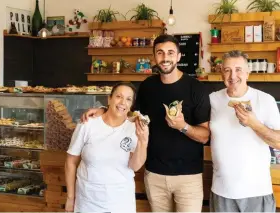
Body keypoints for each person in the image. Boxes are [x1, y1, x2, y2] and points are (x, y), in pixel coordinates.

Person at [81, 34, 211, 212]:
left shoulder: (197, 88)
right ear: (154, 57)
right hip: (154, 174)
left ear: (179, 57)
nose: (165, 58)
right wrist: (104, 110)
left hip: (188, 176)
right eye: (160, 53)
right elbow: (128, 112)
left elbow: (205, 136)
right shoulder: (147, 86)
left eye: (171, 53)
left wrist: (183, 126)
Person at [209, 50, 280, 212]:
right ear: (221, 74)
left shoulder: (265, 100)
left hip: (257, 192)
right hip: (222, 192)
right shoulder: (212, 99)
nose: (233, 76)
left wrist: (254, 124)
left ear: (248, 73)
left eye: (238, 70)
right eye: (227, 70)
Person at [65, 82, 149, 213]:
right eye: (118, 96)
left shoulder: (134, 128)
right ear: (109, 99)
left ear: (131, 105)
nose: (122, 102)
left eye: (128, 99)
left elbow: (135, 166)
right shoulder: (88, 124)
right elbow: (70, 162)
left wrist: (143, 142)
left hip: (121, 202)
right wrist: (70, 197)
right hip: (88, 201)